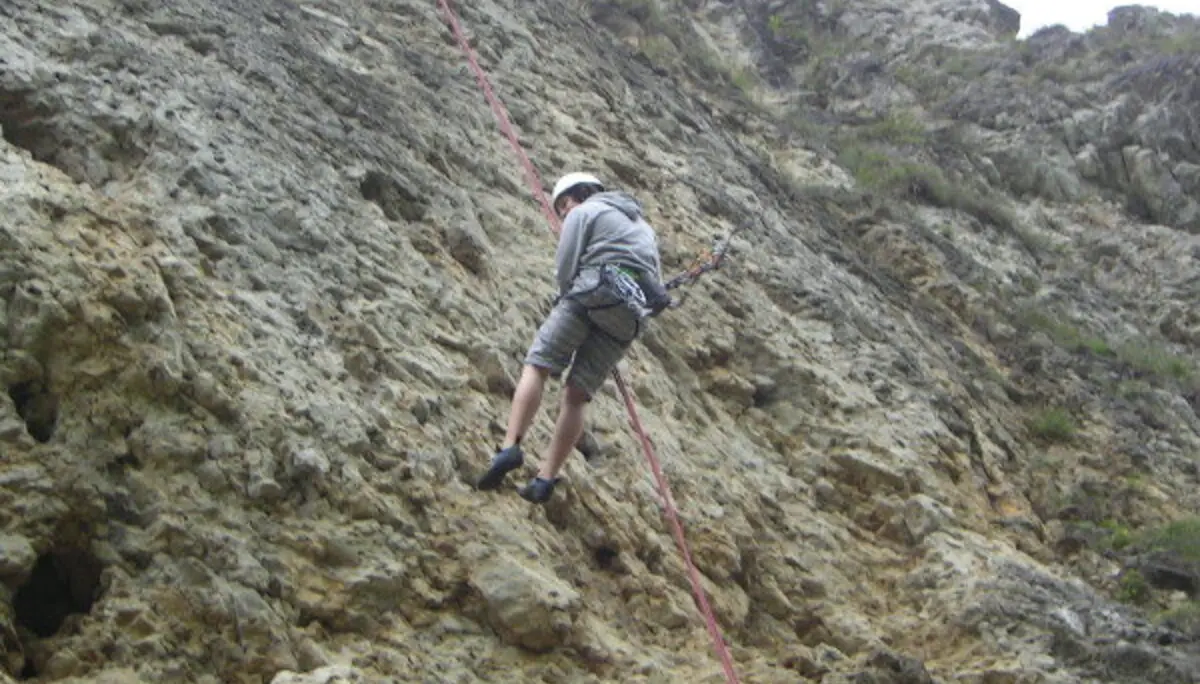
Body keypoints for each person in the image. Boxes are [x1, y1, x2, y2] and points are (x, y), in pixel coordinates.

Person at [476, 172, 671, 503]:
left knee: (538, 365)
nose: (563, 213)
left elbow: (566, 267)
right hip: (629, 320)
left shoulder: (584, 212)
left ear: (574, 197)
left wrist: (566, 297)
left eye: (562, 205)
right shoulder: (643, 228)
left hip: (589, 295)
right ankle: (545, 480)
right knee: (577, 396)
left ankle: (510, 447)